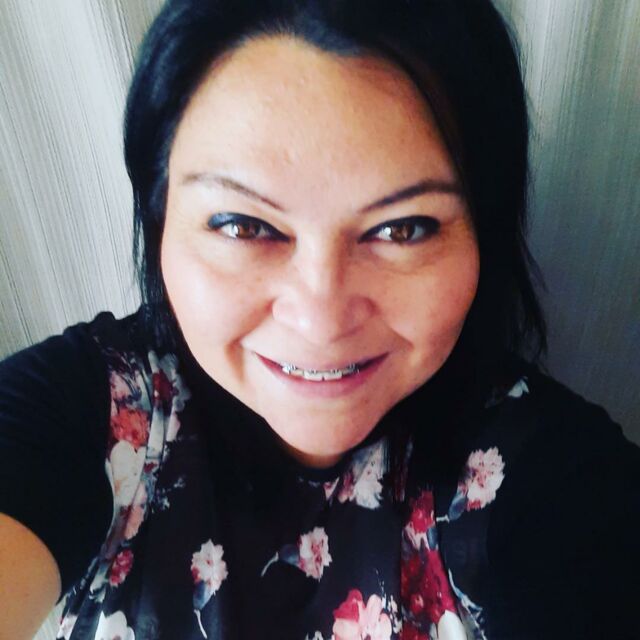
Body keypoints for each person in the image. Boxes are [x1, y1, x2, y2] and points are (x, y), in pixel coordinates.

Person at [1, 0, 638, 638]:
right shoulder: (82, 414)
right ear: (161, 219)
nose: (321, 320)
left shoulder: (556, 481)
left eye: (403, 228)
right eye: (243, 225)